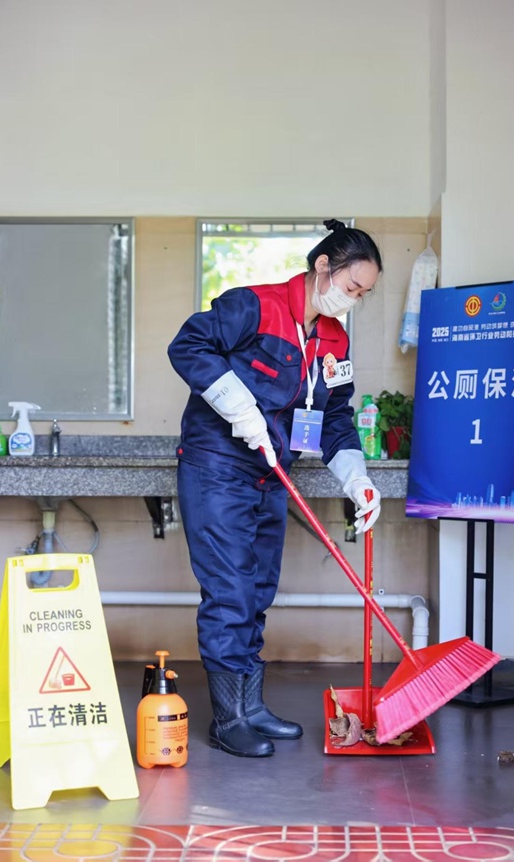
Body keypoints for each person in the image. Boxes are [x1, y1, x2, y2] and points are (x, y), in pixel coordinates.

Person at [168, 219, 383, 758]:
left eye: (364, 295)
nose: (353, 301)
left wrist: (357, 479)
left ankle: (251, 705)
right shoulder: (255, 306)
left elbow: (336, 418)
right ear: (323, 268)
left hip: (271, 475)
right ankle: (228, 717)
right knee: (231, 592)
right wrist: (238, 405)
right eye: (351, 287)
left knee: (258, 592)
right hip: (217, 468)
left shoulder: (334, 338)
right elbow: (188, 344)